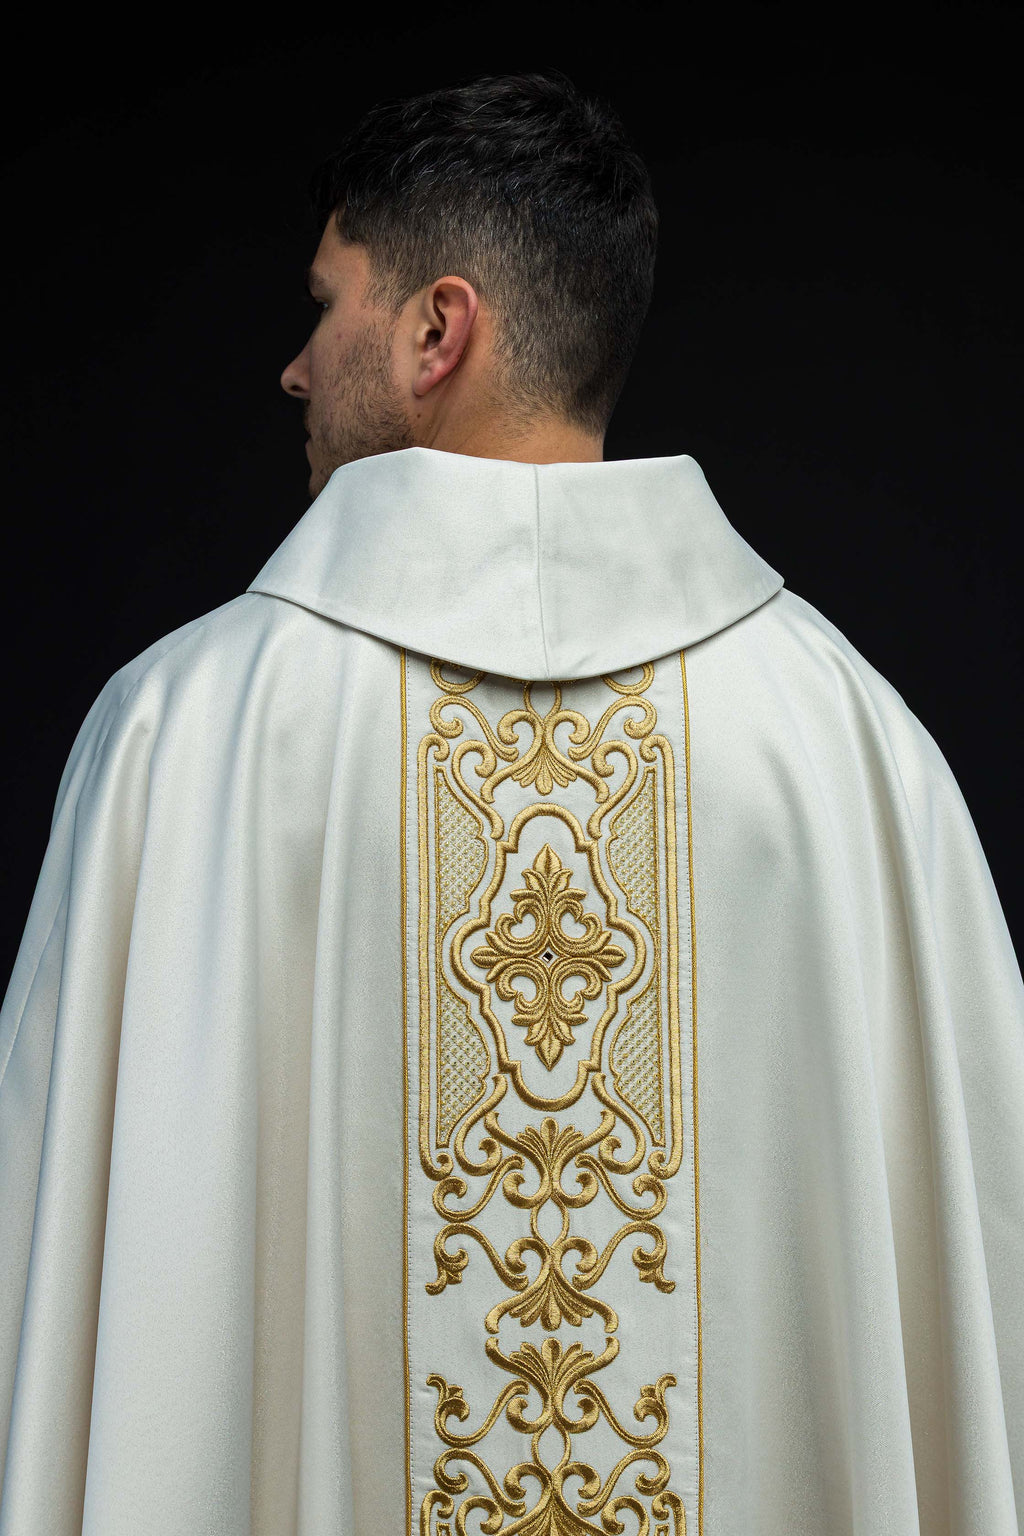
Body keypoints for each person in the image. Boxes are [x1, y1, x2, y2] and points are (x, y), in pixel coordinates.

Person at [0, 69, 1021, 1536]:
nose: (295, 365)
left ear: (436, 331)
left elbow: (51, 1295)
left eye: (328, 302)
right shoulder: (846, 747)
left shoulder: (185, 737)